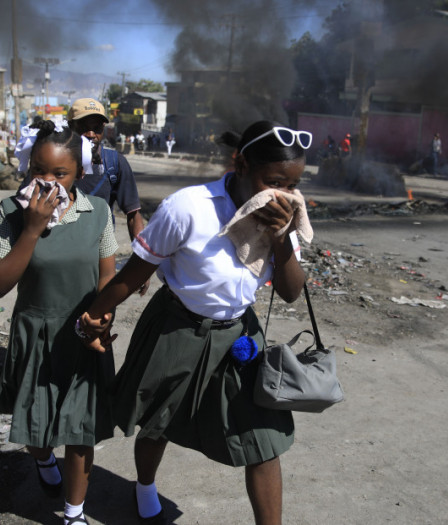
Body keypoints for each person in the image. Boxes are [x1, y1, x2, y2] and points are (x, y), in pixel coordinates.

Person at [79, 120, 311, 525]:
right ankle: (145, 484)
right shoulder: (188, 207)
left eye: (292, 185)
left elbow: (292, 291)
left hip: (239, 335)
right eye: (273, 181)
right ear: (239, 165)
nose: (283, 195)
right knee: (157, 422)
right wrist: (95, 314)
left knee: (264, 440)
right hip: (177, 329)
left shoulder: (280, 220)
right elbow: (135, 273)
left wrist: (281, 239)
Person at [0, 121, 117, 525]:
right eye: (38, 171)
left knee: (79, 431)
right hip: (35, 332)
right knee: (36, 429)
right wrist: (34, 227)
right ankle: (43, 462)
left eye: (60, 174)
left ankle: (74, 513)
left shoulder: (98, 212)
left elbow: (107, 277)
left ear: (78, 173)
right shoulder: (11, 213)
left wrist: (102, 320)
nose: (47, 182)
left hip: (82, 334)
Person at [69, 98, 150, 295]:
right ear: (70, 127)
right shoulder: (54, 162)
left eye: (96, 128)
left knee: (97, 314)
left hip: (99, 258)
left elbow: (133, 215)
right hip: (61, 253)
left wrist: (142, 266)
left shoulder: (115, 164)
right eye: (84, 127)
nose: (91, 134)